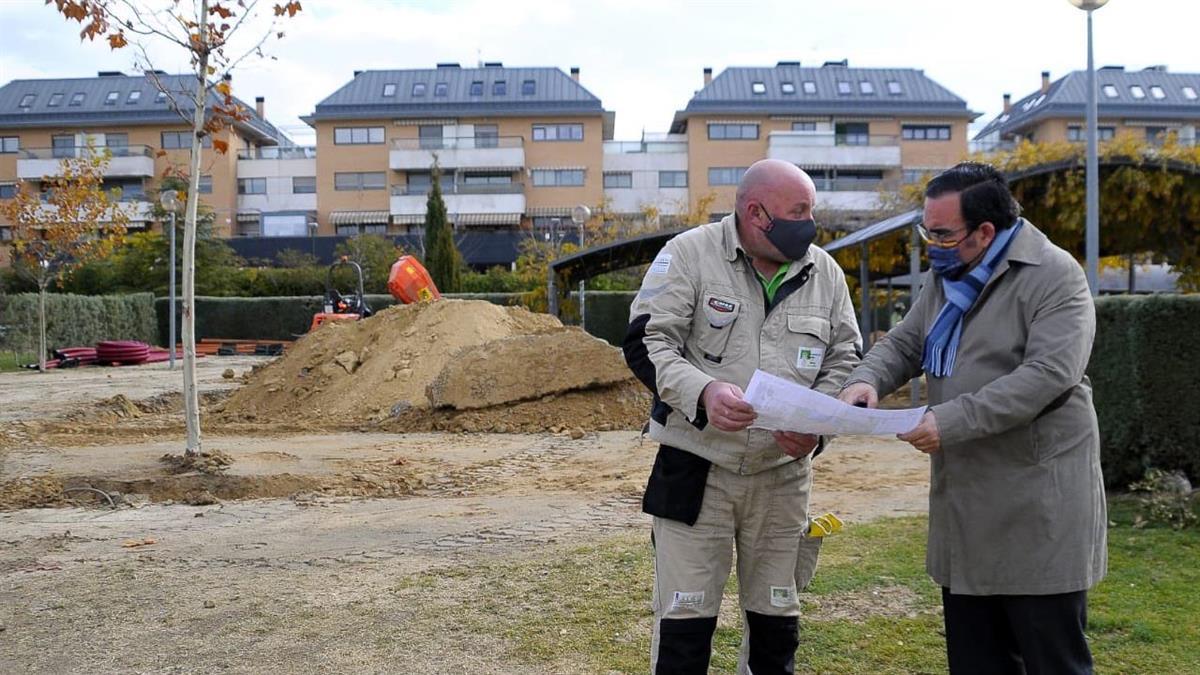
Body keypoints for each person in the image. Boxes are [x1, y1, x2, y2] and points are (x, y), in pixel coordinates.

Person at [838, 162, 1107, 674]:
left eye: (941, 233)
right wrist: (865, 379)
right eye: (926, 230)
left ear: (986, 231)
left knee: (1053, 661)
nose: (930, 244)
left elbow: (1050, 374)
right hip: (968, 511)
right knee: (976, 661)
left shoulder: (1055, 275)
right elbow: (905, 342)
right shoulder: (949, 276)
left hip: (1037, 507)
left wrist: (950, 420)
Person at [623, 159, 861, 674]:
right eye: (798, 211)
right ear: (757, 213)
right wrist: (703, 392)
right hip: (696, 471)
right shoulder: (688, 255)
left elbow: (846, 357)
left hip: (782, 479)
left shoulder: (826, 273)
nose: (810, 222)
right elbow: (646, 342)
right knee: (685, 629)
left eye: (811, 211)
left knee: (777, 629)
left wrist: (815, 429)